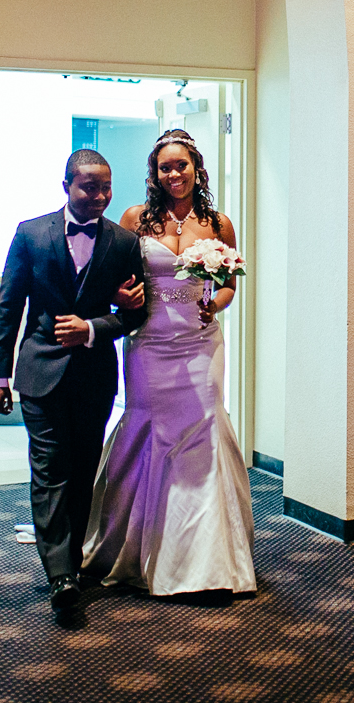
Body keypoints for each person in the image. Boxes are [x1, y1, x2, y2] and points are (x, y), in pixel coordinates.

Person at [81, 130, 256, 597]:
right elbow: (109, 276)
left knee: (203, 429)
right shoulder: (135, 219)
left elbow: (229, 284)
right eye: (165, 167)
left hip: (200, 342)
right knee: (147, 428)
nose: (174, 174)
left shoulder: (218, 224)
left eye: (181, 165)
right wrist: (119, 297)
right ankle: (136, 544)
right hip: (149, 342)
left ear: (197, 168)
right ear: (154, 173)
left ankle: (205, 561)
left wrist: (215, 305)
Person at [0, 149, 147, 611]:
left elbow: (137, 316)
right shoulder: (31, 234)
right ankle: (60, 576)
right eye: (89, 187)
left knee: (82, 471)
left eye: (106, 188)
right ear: (67, 187)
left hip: (94, 377)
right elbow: (9, 307)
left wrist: (93, 327)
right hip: (40, 372)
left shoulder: (123, 242)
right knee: (50, 470)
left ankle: (71, 564)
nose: (99, 196)